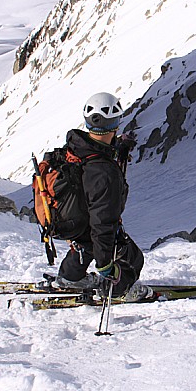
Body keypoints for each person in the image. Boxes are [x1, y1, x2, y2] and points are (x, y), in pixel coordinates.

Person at [50, 92, 152, 302]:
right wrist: (105, 265)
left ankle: (70, 278)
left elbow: (96, 154)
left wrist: (116, 148)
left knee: (85, 242)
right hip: (88, 222)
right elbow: (103, 221)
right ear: (115, 123)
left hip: (70, 219)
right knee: (133, 259)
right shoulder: (104, 173)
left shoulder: (77, 147)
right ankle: (119, 290)